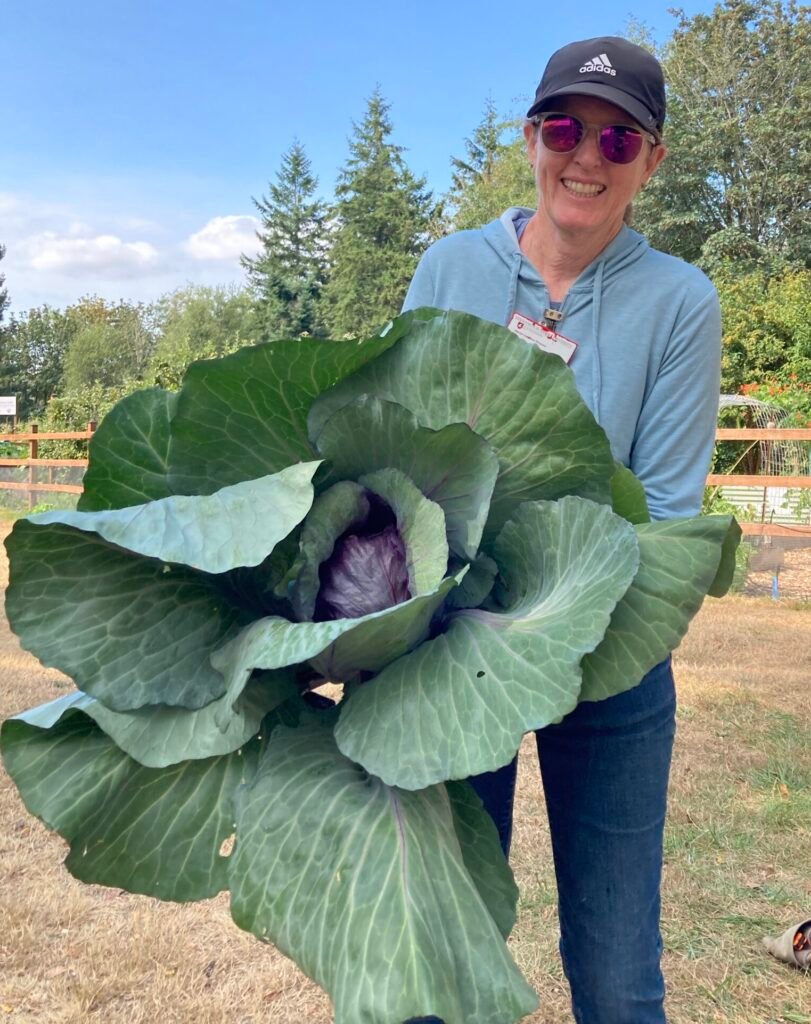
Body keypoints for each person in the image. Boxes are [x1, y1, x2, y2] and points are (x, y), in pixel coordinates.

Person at [401, 36, 721, 1024]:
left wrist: (547, 609)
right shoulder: (451, 268)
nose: (586, 156)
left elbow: (665, 518)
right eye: (564, 128)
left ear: (652, 160)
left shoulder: (679, 302)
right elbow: (390, 454)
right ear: (530, 137)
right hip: (452, 651)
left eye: (618, 139)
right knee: (435, 963)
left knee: (619, 977)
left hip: (604, 644)